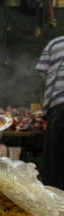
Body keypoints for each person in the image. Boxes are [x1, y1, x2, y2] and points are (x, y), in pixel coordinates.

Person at [36, 35, 64, 190]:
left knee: (55, 170)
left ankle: (56, 212)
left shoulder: (55, 43)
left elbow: (47, 82)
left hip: (60, 111)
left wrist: (45, 114)